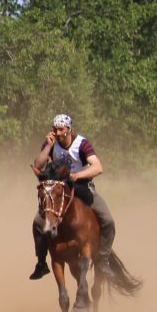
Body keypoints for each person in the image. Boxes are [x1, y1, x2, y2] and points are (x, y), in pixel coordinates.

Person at [29, 113, 116, 279]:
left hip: (81, 186)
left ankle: (103, 260)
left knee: (108, 220)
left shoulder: (81, 144)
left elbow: (98, 167)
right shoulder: (51, 144)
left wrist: (77, 176)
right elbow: (38, 165)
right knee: (38, 223)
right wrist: (47, 147)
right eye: (55, 129)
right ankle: (41, 263)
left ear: (69, 130)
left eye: (61, 129)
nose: (58, 132)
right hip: (57, 190)